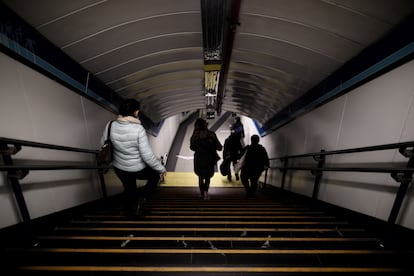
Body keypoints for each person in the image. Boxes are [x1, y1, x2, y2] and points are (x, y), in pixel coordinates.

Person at [100, 99, 167, 215]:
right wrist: (160, 168)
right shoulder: (138, 129)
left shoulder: (110, 125)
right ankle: (142, 199)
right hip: (136, 168)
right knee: (154, 177)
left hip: (119, 168)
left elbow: (103, 143)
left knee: (129, 188)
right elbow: (147, 155)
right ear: (135, 112)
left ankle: (128, 211)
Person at [190, 118, 223, 200]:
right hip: (209, 159)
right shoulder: (211, 134)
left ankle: (201, 194)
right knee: (207, 176)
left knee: (200, 176)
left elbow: (192, 147)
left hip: (199, 159)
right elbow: (219, 147)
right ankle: (206, 193)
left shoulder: (195, 135)